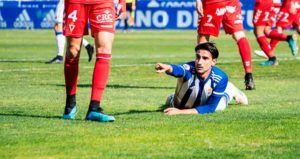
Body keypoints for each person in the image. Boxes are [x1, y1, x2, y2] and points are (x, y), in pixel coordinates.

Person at [62, 0, 126, 122]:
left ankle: (94, 108)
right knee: (73, 50)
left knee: (104, 48)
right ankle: (70, 105)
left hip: (103, 3)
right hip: (76, 2)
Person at [155, 42, 248, 115]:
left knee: (219, 106)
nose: (199, 62)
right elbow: (178, 69)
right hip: (180, 103)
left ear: (213, 61)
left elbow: (210, 107)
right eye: (198, 57)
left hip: (205, 103)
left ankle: (231, 89)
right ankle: (172, 97)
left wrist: (180, 112)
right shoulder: (189, 68)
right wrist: (168, 68)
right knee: (172, 102)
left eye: (205, 58)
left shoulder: (220, 78)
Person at [196, 0, 255, 90]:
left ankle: (202, 77)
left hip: (213, 2)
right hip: (232, 2)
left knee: (203, 38)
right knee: (239, 35)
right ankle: (249, 75)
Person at [46, 0, 94, 64]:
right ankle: (88, 46)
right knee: (66, 30)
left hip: (66, 2)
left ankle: (59, 56)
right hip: (70, 3)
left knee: (59, 27)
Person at [253, 0, 298, 66]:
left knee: (258, 32)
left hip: (265, 3)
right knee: (266, 31)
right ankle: (287, 39)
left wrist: (291, 2)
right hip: (275, 4)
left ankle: (272, 58)